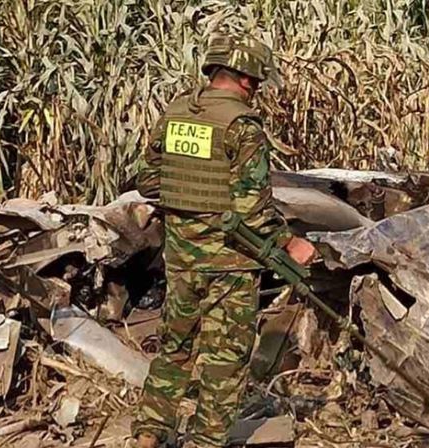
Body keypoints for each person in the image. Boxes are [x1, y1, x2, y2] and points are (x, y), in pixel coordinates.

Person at [132, 33, 315, 448]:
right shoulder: (242, 127)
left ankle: (148, 434)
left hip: (180, 258)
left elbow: (147, 182)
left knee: (174, 348)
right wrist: (290, 244)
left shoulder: (176, 113)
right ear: (249, 79)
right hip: (229, 264)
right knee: (223, 361)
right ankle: (204, 442)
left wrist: (190, 205)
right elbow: (253, 209)